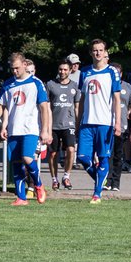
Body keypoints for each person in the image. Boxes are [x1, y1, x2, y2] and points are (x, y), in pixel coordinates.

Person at [0, 52, 51, 206]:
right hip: (14, 129)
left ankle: (38, 185)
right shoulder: (8, 84)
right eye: (12, 69)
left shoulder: (36, 83)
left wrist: (45, 130)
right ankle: (21, 198)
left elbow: (44, 108)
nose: (15, 71)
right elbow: (2, 105)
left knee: (27, 158)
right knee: (17, 163)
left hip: (30, 129)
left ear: (25, 65)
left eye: (17, 68)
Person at [74, 40, 121, 203]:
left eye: (101, 50)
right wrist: (78, 121)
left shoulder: (112, 72)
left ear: (105, 52)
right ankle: (100, 178)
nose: (98, 53)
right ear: (90, 53)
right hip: (87, 122)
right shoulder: (85, 72)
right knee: (82, 157)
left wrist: (117, 123)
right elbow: (82, 99)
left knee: (102, 157)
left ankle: (97, 193)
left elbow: (116, 99)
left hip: (105, 122)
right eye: (95, 50)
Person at [45, 60, 80, 190]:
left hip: (69, 124)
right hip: (53, 125)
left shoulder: (74, 86)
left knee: (71, 149)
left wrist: (77, 124)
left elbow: (77, 107)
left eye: (65, 70)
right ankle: (54, 179)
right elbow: (46, 106)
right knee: (53, 154)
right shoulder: (50, 85)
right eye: (60, 69)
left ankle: (66, 176)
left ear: (70, 71)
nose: (62, 72)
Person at [107, 63, 131, 192]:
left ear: (121, 73)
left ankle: (116, 183)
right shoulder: (106, 85)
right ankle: (107, 180)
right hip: (107, 124)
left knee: (119, 155)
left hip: (122, 125)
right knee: (108, 155)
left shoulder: (128, 87)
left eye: (119, 73)